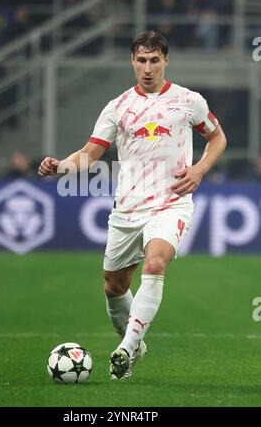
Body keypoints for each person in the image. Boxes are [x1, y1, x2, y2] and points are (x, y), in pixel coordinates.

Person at [38, 30, 227, 379]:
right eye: (142, 60)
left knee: (156, 263)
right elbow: (90, 154)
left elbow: (217, 137)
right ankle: (133, 342)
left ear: (166, 61)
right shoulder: (118, 106)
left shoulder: (188, 101)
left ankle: (126, 348)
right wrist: (61, 166)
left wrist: (200, 169)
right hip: (127, 208)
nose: (148, 68)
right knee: (114, 286)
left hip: (172, 204)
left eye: (155, 60)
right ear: (132, 61)